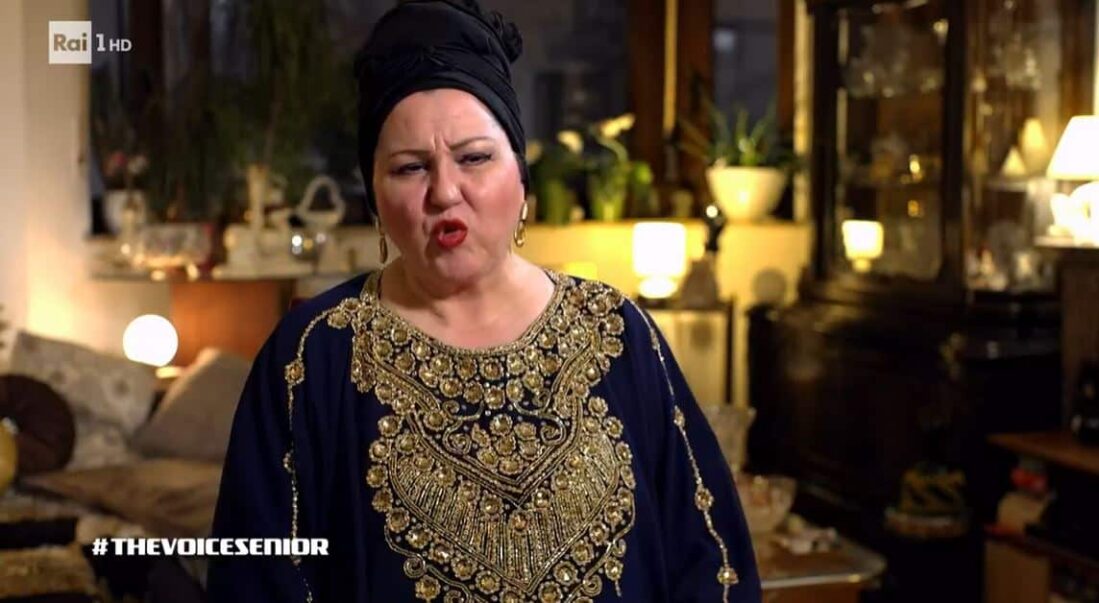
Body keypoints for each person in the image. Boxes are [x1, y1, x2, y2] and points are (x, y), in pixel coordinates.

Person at [207, 1, 762, 601]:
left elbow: (713, 561)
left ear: (521, 178)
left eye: (474, 158)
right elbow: (256, 577)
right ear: (374, 197)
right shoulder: (312, 356)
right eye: (410, 168)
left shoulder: (616, 331)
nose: (445, 191)